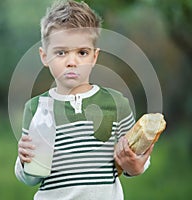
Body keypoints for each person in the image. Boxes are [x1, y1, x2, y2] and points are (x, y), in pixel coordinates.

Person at [14, 0, 154, 199]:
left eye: (82, 52)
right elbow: (31, 178)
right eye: (61, 52)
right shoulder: (36, 108)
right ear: (44, 56)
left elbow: (133, 162)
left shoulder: (116, 104)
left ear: (94, 57)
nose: (72, 62)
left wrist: (135, 165)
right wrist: (23, 160)